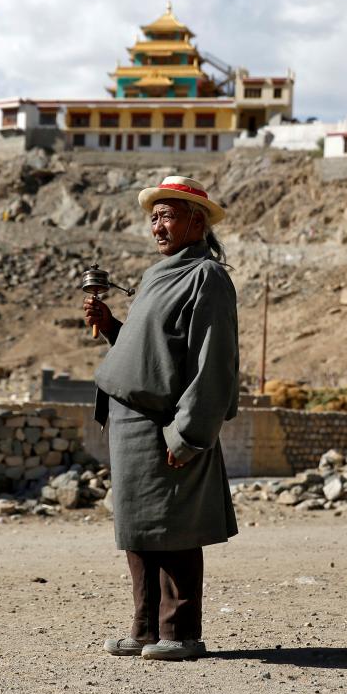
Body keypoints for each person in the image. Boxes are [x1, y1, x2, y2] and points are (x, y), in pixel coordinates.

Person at [83, 175, 239, 662]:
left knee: (175, 529)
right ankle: (146, 629)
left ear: (197, 220)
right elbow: (152, 350)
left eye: (166, 215)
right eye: (153, 217)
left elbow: (212, 362)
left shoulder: (207, 277)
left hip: (165, 422)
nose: (157, 225)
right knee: (139, 529)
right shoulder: (156, 275)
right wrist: (112, 327)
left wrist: (189, 433)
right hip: (129, 425)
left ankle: (182, 632)